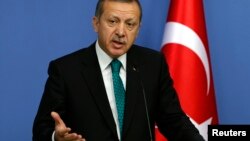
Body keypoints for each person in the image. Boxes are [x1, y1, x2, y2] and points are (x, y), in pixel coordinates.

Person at [32, 0, 205, 141]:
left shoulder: (153, 64)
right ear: (96, 23)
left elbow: (173, 120)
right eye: (112, 21)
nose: (121, 32)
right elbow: (42, 130)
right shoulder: (66, 70)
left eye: (130, 24)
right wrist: (56, 138)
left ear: (137, 30)